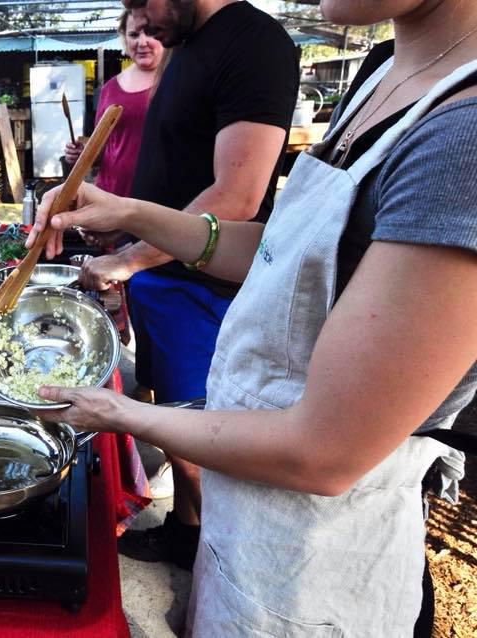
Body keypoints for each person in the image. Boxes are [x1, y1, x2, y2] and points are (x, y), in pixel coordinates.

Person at [26, 0, 477, 632]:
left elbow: (324, 453)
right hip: (248, 527)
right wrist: (128, 213)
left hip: (320, 565)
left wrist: (114, 412)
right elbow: (282, 255)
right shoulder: (385, 69)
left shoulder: (463, 139)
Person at [78, 0, 299, 570]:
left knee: (197, 433)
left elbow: (237, 198)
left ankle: (216, 566)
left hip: (199, 288)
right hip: (163, 280)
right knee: (172, 420)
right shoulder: (186, 45)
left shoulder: (252, 42)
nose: (138, 19)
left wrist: (133, 257)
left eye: (139, 1)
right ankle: (184, 533)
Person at [64, 10, 164, 199]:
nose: (142, 42)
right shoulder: (110, 89)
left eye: (150, 32)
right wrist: (83, 154)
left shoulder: (177, 80)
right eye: (134, 34)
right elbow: (104, 149)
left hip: (160, 201)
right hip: (111, 196)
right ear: (124, 39)